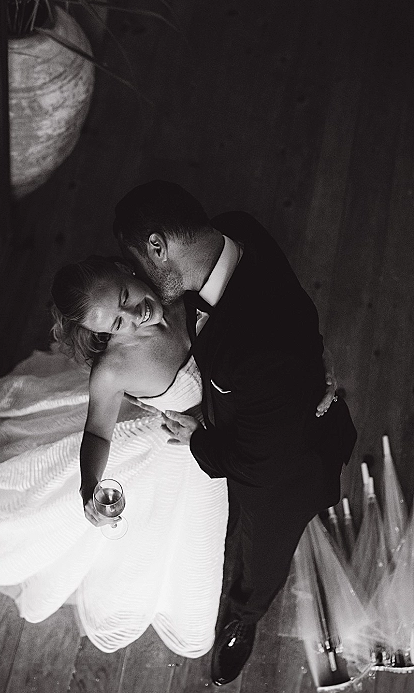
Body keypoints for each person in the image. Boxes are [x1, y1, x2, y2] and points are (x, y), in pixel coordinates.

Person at [112, 180, 357, 686]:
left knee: (261, 556)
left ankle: (243, 619)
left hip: (283, 476)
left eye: (139, 260)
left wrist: (198, 439)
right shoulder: (233, 230)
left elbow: (258, 460)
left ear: (159, 244)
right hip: (265, 415)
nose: (140, 276)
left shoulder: (258, 347)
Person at [0, 255, 229, 658]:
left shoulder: (177, 294)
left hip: (225, 413)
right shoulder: (113, 370)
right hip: (182, 446)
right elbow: (96, 432)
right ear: (105, 334)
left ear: (130, 271)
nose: (134, 314)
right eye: (118, 323)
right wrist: (89, 485)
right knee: (179, 533)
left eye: (126, 295)